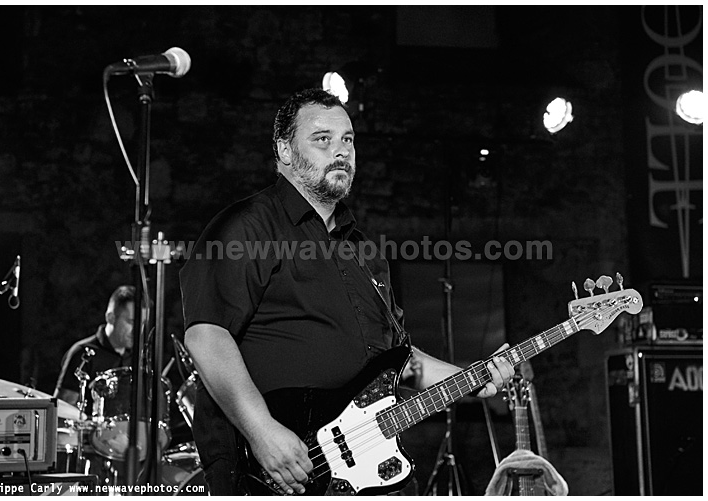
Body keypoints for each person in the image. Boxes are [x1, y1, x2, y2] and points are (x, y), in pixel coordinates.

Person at [179, 88, 515, 496]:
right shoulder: (247, 226)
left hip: (361, 470)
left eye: (348, 140)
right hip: (270, 468)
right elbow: (207, 335)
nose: (340, 151)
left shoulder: (365, 253)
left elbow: (402, 361)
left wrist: (474, 377)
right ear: (285, 151)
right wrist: (263, 430)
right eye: (323, 139)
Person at [54, 285, 135, 415]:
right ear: (111, 318)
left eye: (142, 324)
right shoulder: (83, 353)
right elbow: (63, 410)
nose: (138, 330)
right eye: (131, 322)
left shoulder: (139, 357)